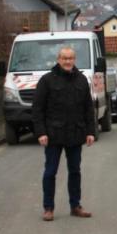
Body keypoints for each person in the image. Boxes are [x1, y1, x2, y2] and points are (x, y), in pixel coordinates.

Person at [33, 47, 96, 222]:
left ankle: (75, 206)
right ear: (58, 59)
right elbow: (37, 109)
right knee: (50, 172)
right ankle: (48, 208)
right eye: (64, 58)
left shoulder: (82, 80)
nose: (67, 61)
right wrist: (41, 132)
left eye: (70, 58)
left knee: (75, 171)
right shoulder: (47, 81)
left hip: (75, 133)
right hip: (53, 134)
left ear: (74, 60)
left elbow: (88, 108)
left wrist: (90, 131)